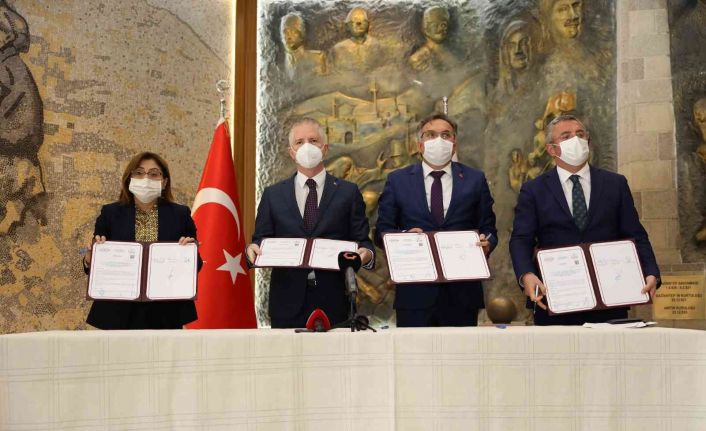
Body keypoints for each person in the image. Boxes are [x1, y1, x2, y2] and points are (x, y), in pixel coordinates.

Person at [509, 114, 660, 325]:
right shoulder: (533, 190)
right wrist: (526, 275)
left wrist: (651, 271)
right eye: (566, 136)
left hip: (609, 298)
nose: (576, 140)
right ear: (552, 149)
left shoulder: (615, 184)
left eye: (580, 134)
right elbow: (521, 239)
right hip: (555, 298)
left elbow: (635, 234)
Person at [246, 118, 374, 328]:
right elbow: (260, 240)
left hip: (335, 302)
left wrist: (365, 255)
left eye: (313, 141)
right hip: (286, 303)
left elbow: (364, 243)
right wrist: (252, 249)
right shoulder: (273, 195)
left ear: (325, 148)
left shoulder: (348, 192)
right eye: (299, 142)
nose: (307, 146)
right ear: (291, 152)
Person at [375, 113, 498, 327]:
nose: (439, 140)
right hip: (414, 295)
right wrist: (404, 238)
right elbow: (381, 232)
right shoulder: (398, 181)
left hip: (462, 294)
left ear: (454, 144)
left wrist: (487, 243)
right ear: (420, 144)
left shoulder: (475, 179)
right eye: (431, 135)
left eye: (445, 135)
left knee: (460, 350)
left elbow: (489, 229)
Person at [83, 152, 199, 329]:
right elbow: (95, 257)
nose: (146, 179)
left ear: (164, 182)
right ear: (129, 179)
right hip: (117, 310)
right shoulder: (110, 213)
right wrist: (89, 258)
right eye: (139, 173)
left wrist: (189, 254)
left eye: (154, 174)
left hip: (166, 310)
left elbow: (197, 265)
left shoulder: (180, 214)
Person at [330, 7, 382, 73]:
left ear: (368, 24)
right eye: (354, 20)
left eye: (363, 20)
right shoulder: (339, 48)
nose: (359, 23)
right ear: (347, 26)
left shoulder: (376, 45)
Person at [280, 12, 326, 79]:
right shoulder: (280, 62)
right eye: (286, 32)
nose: (289, 36)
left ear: (301, 34)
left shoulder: (317, 58)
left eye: (294, 31)